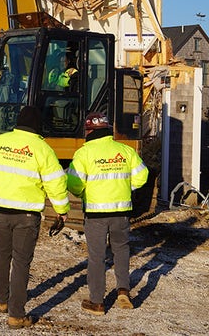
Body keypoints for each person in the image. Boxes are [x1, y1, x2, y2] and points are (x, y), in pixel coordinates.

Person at [0, 105, 70, 329]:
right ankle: (17, 315)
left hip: (0, 211)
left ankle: (1, 300)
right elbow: (56, 182)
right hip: (27, 215)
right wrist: (61, 210)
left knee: (1, 255)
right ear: (38, 125)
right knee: (21, 263)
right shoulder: (42, 148)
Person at [66, 113, 149, 316]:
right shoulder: (125, 150)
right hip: (121, 211)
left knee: (97, 256)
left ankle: (97, 302)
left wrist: (81, 192)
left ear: (89, 131)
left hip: (96, 213)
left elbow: (75, 183)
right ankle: (123, 291)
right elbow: (142, 175)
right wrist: (125, 187)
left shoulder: (84, 153)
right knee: (121, 250)